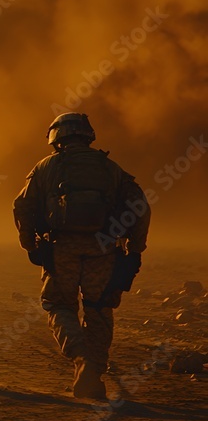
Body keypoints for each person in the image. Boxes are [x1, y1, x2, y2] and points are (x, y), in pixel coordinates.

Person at [13, 112, 150, 399]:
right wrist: (134, 249)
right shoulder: (110, 167)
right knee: (98, 309)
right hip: (103, 248)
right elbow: (141, 207)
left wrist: (31, 245)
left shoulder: (45, 167)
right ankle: (93, 374)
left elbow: (23, 206)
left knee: (59, 307)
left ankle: (82, 360)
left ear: (55, 138)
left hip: (61, 248)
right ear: (88, 135)